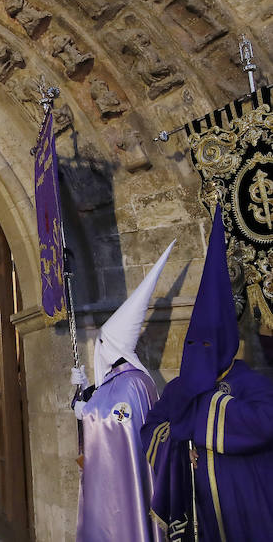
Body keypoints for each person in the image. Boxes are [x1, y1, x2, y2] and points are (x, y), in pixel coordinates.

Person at [142, 206, 273, 541]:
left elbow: (264, 423)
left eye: (208, 343)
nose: (199, 350)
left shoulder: (251, 383)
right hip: (195, 507)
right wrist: (176, 444)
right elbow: (151, 431)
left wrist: (200, 409)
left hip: (244, 501)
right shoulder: (177, 389)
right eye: (193, 342)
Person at [71, 240, 174, 542]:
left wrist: (85, 411)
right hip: (111, 477)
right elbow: (98, 399)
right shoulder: (117, 379)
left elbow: (117, 420)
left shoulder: (131, 383)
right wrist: (79, 392)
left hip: (121, 482)